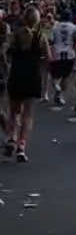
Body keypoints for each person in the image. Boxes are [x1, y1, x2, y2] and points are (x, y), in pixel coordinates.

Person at [5, 8, 49, 161]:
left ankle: (11, 138)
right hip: (32, 76)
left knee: (13, 111)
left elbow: (5, 52)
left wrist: (8, 64)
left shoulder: (15, 35)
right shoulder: (40, 36)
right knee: (28, 114)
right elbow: (48, 57)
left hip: (16, 75)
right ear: (37, 20)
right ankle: (21, 146)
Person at [48, 6, 76, 106]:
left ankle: (57, 87)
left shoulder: (55, 27)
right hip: (69, 54)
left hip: (56, 54)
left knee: (54, 76)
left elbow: (51, 40)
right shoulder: (73, 27)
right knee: (65, 76)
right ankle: (61, 96)